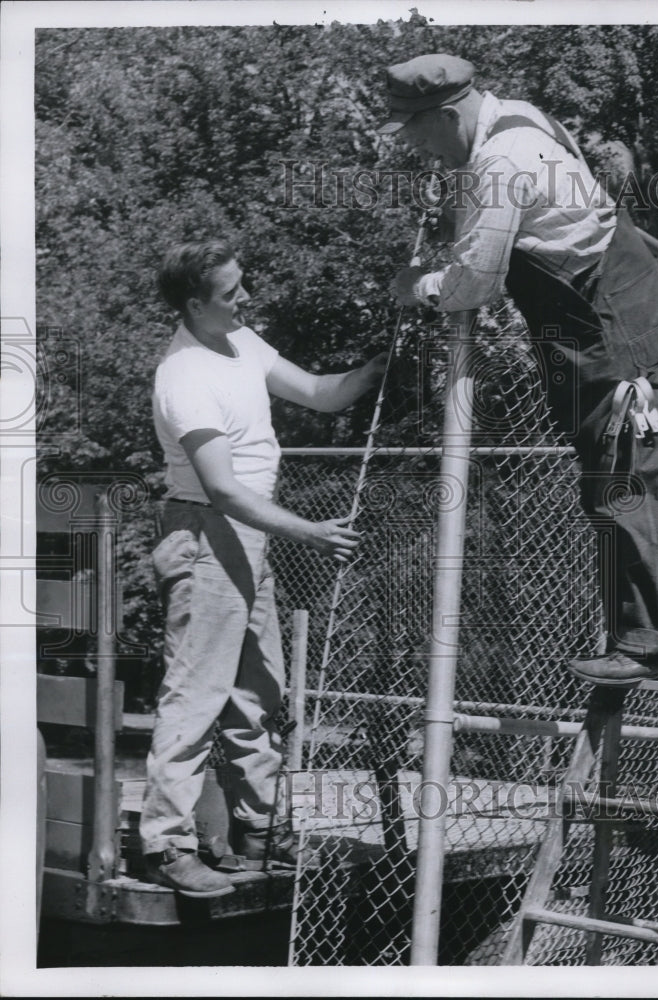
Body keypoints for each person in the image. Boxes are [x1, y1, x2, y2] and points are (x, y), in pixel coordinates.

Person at [380, 53, 658, 687]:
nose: (414, 147)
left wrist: (418, 285)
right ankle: (643, 634)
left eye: (412, 131)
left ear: (446, 114)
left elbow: (475, 283)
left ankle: (652, 640)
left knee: (628, 471)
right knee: (615, 473)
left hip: (606, 321)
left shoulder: (497, 163)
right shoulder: (519, 116)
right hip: (603, 310)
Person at [140, 239, 386, 896]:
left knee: (259, 690)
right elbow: (221, 487)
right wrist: (311, 531)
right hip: (207, 529)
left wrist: (380, 363)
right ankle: (166, 843)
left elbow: (318, 393)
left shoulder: (239, 342)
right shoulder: (185, 375)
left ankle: (255, 834)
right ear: (195, 304)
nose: (245, 299)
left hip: (245, 536)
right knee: (196, 694)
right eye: (230, 292)